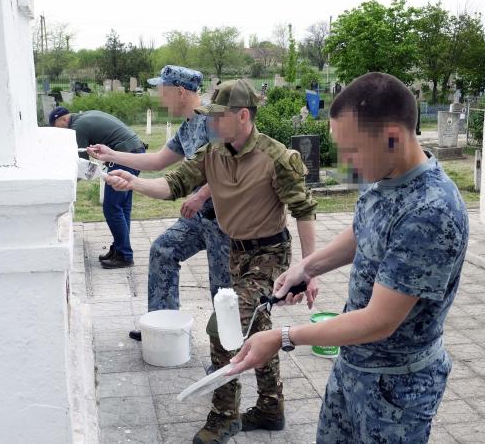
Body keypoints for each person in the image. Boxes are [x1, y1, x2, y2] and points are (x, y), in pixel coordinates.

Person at [227, 72, 469, 443]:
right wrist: (307, 267)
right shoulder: (384, 175)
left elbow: (378, 321)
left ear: (393, 137)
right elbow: (362, 231)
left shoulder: (431, 212)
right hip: (353, 367)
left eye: (352, 150)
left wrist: (284, 337)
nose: (346, 161)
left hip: (396, 390)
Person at [104, 79, 319, 444]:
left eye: (219, 117)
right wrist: (134, 184)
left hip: (269, 254)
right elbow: (172, 184)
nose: (212, 123)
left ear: (243, 116)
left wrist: (309, 270)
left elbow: (303, 210)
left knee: (224, 327)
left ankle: (224, 416)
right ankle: (271, 408)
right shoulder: (212, 153)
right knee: (257, 326)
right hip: (235, 251)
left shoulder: (277, 158)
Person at [87, 65, 231, 342]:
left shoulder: (214, 121)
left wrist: (201, 194)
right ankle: (161, 326)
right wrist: (111, 155)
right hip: (199, 216)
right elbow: (156, 161)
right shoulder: (187, 127)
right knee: (163, 250)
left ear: (180, 92)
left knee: (223, 288)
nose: (160, 98)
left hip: (226, 219)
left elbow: (229, 168)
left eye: (163, 91)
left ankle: (233, 345)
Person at [49, 107, 146, 269]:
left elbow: (81, 164)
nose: (59, 132)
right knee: (122, 207)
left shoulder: (77, 127)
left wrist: (66, 185)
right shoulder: (84, 116)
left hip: (125, 155)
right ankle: (119, 249)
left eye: (56, 127)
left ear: (63, 120)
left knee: (112, 207)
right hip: (134, 150)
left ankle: (124, 256)